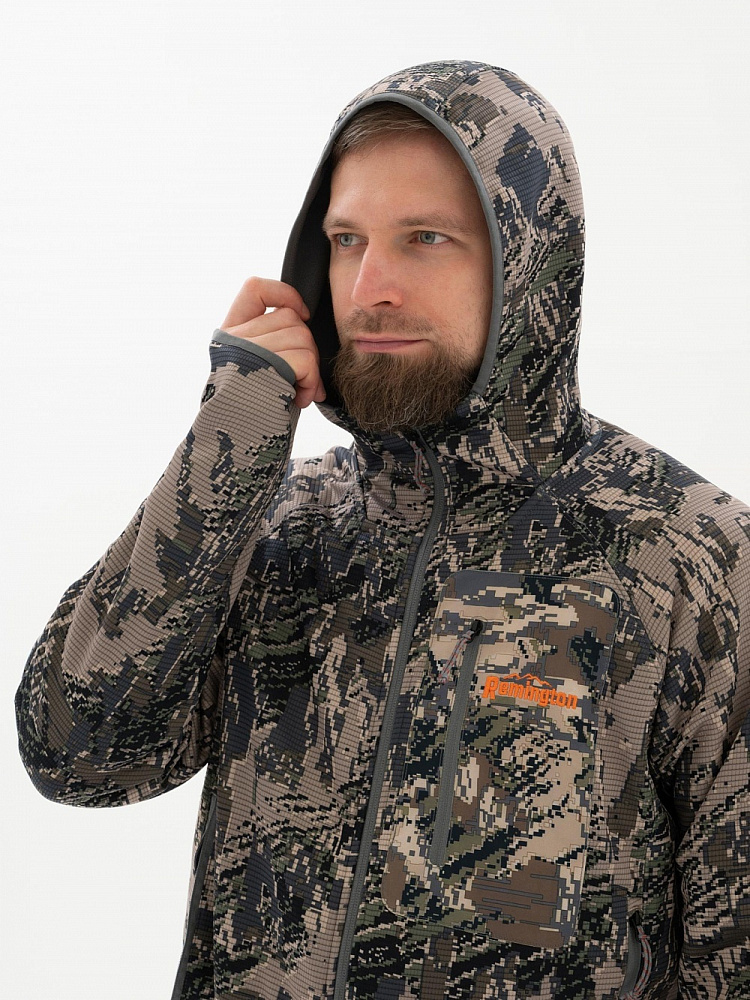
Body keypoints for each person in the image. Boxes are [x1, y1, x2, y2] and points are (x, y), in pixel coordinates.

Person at [14, 58, 749, 1000]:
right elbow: (78, 754)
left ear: (530, 263)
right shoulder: (278, 526)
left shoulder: (687, 555)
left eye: (426, 238)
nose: (370, 287)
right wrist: (228, 442)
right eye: (346, 240)